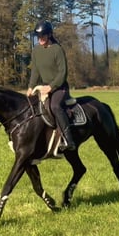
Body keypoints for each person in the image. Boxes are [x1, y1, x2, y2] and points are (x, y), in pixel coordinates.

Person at [26, 20, 76, 151]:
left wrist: (51, 87)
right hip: (43, 88)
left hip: (60, 88)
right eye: (38, 36)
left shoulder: (57, 49)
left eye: (43, 36)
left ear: (49, 35)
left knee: (54, 106)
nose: (40, 39)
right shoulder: (36, 51)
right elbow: (35, 71)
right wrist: (31, 87)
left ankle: (69, 140)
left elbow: (63, 72)